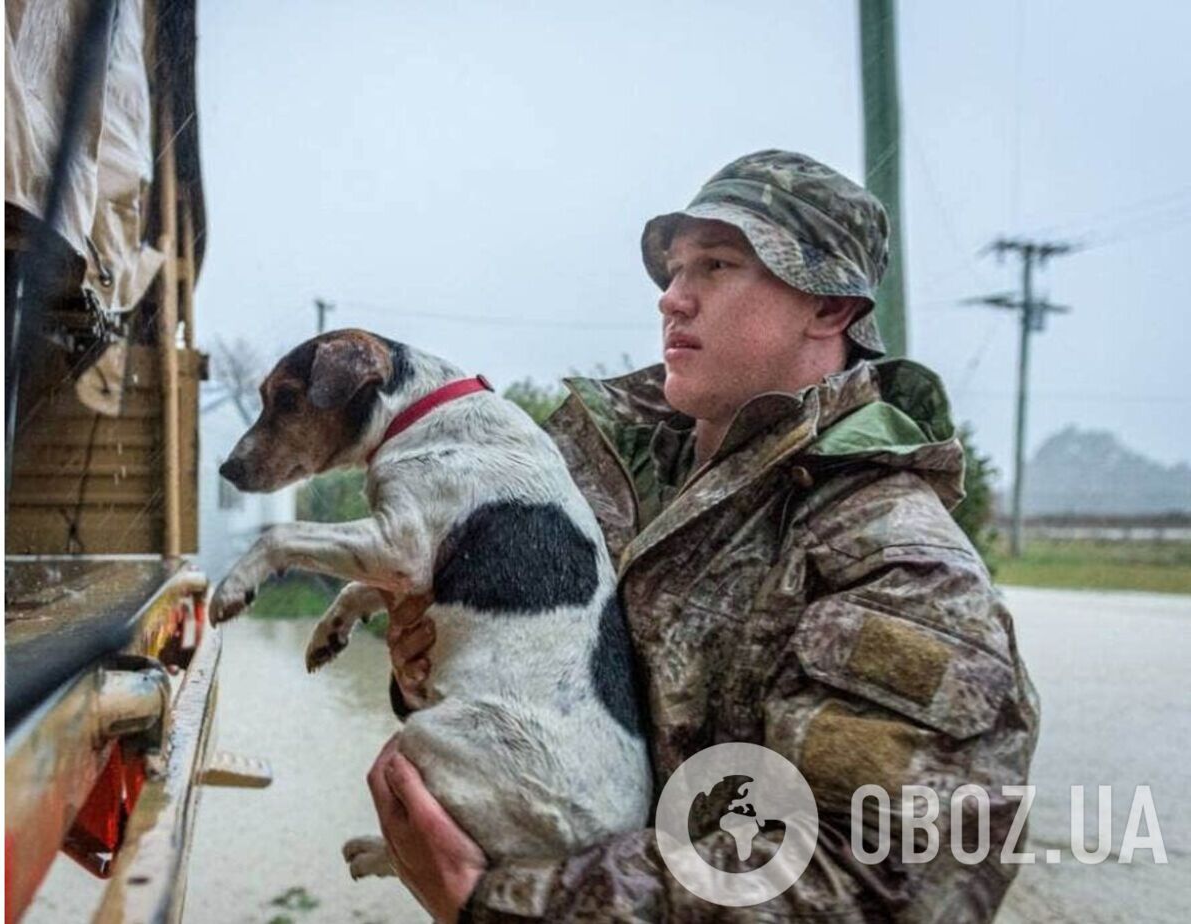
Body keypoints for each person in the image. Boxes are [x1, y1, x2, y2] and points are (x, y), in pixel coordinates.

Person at [369, 150, 1040, 922]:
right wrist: (429, 665)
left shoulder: (896, 561)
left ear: (831, 308)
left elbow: (875, 885)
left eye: (716, 266)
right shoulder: (592, 482)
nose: (673, 301)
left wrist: (502, 905)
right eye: (674, 271)